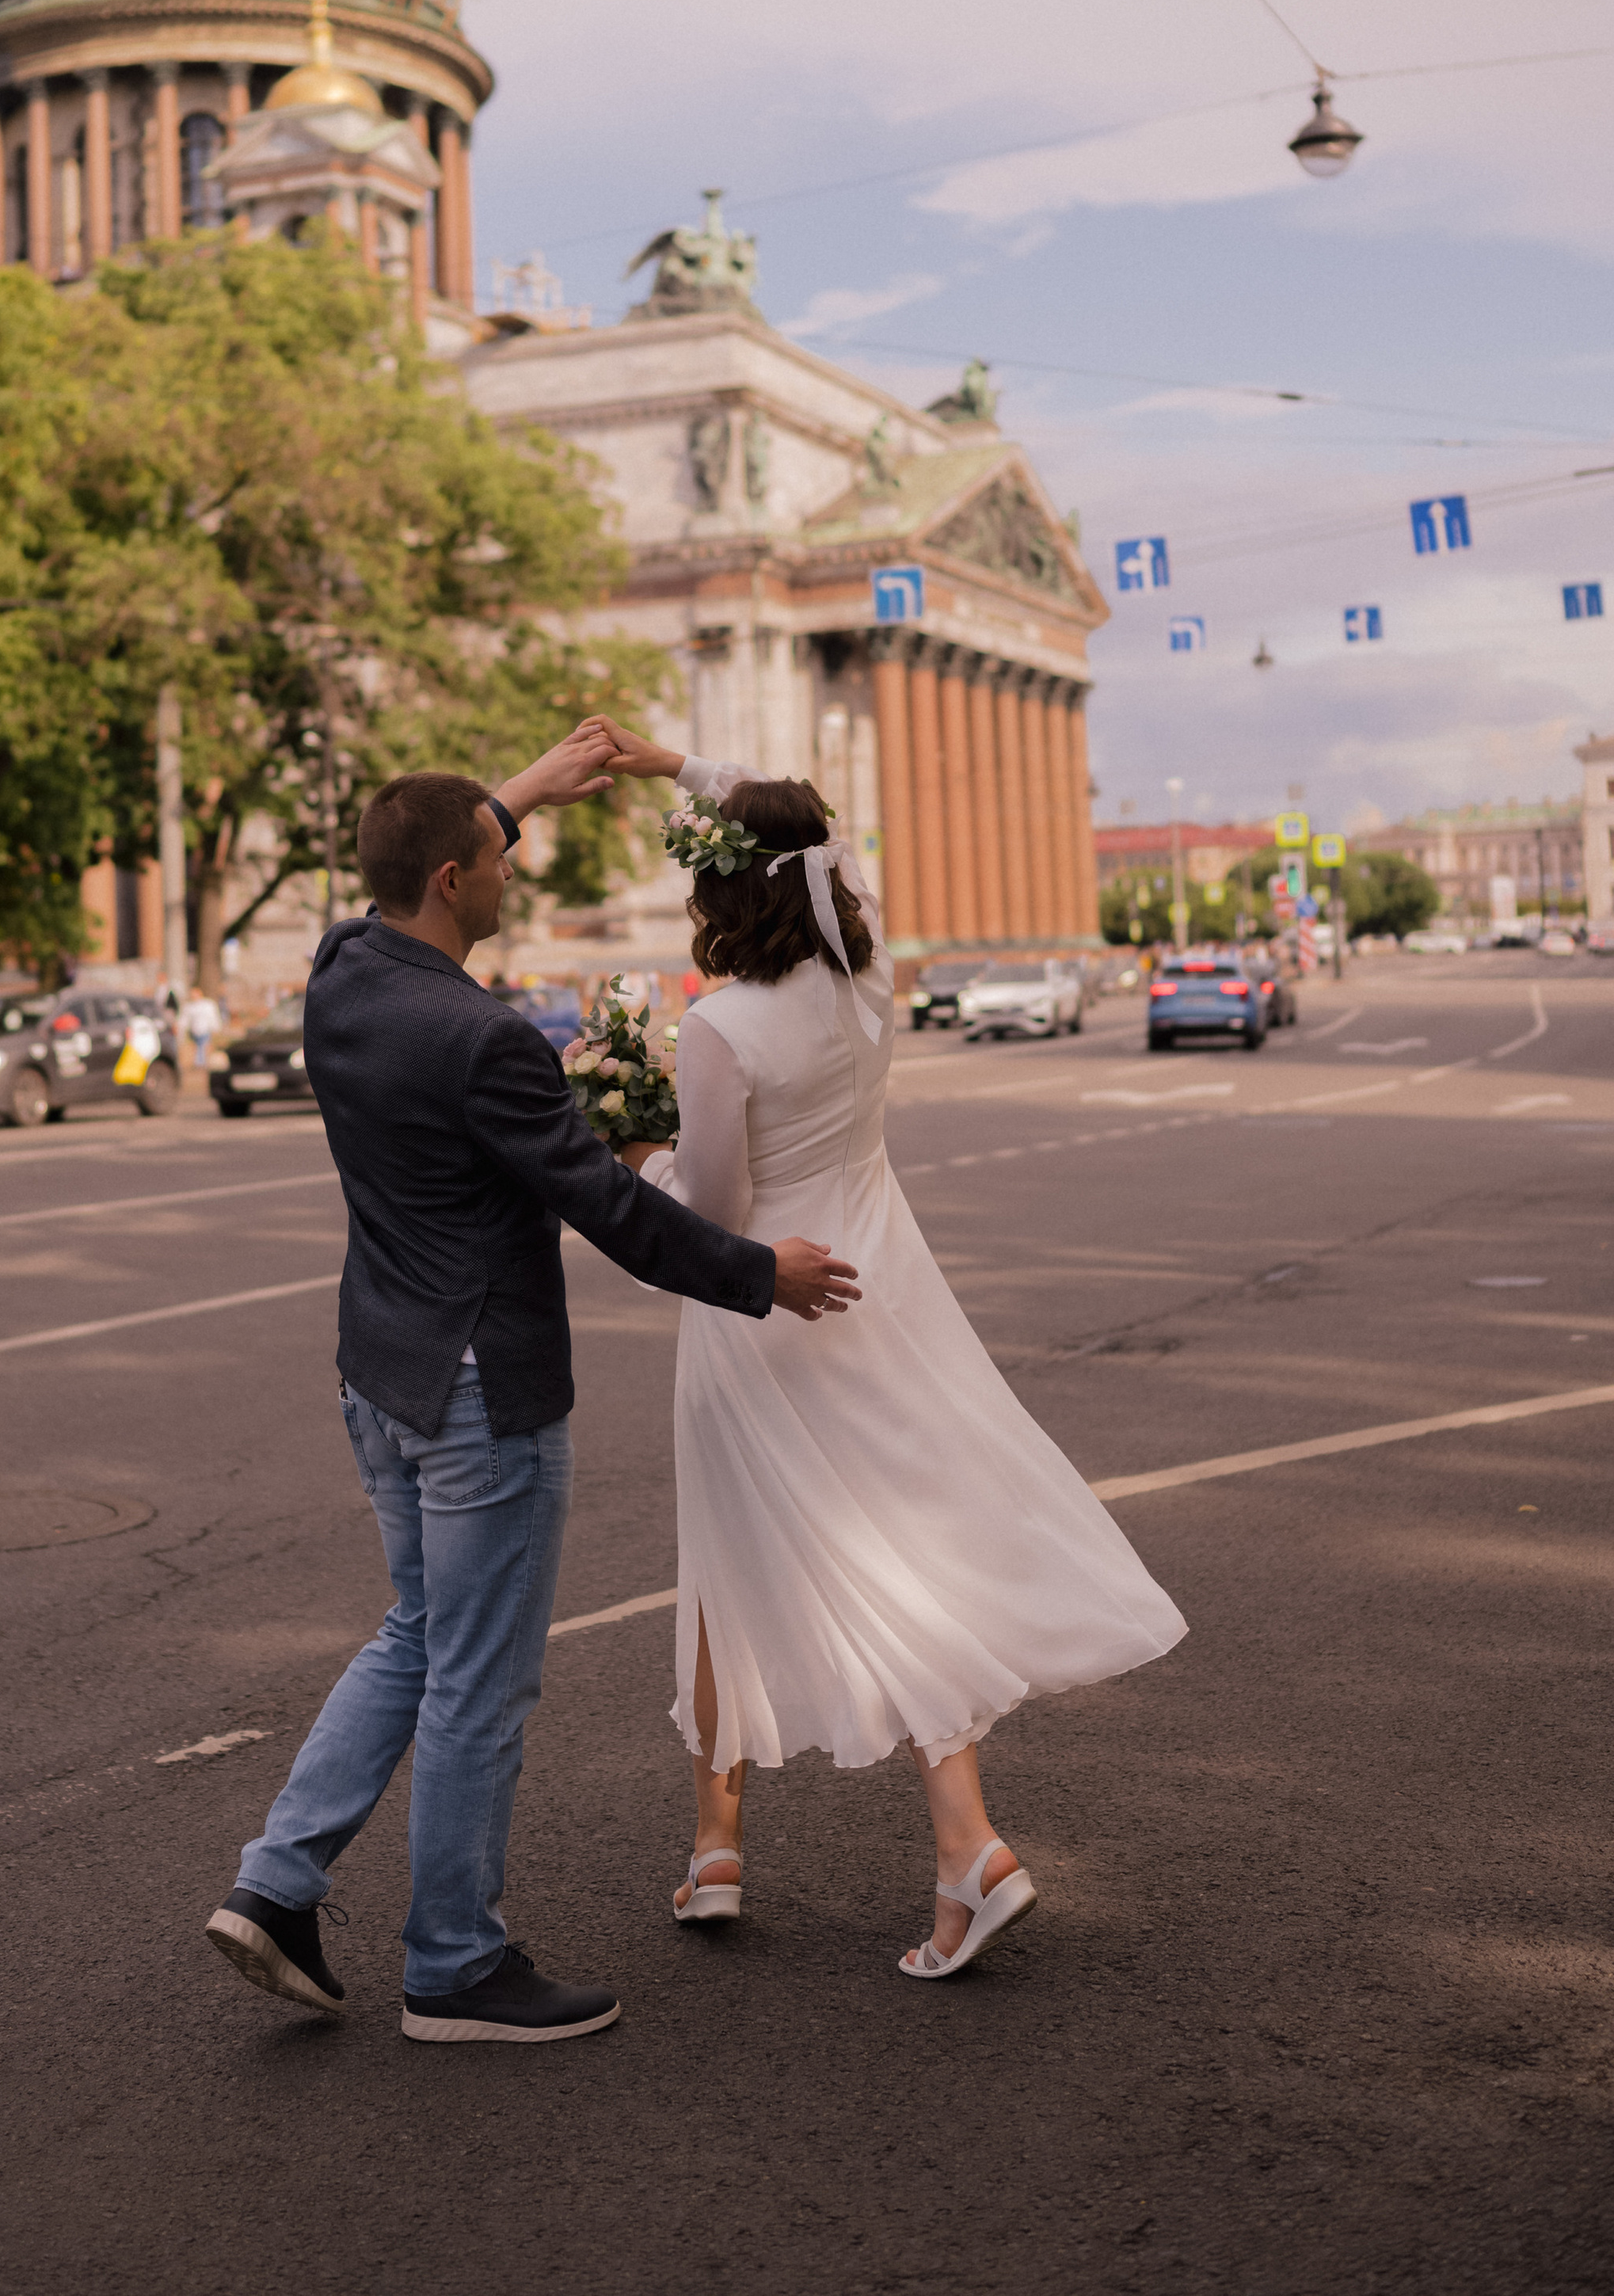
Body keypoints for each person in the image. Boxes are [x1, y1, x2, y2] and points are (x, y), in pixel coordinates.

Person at [205, 729, 859, 2044]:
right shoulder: (483, 1037)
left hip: (378, 1374)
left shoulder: (344, 976)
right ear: (455, 880)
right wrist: (758, 1276)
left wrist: (521, 788)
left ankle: (277, 1884)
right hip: (476, 1395)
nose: (512, 873)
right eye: (497, 857)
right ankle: (452, 1960)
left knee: (417, 1634)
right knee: (479, 1684)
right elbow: (613, 1208)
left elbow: (416, 867)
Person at [590, 726, 1186, 1982]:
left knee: (723, 1566)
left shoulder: (722, 1029)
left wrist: (624, 1149)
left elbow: (711, 1204)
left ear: (721, 889)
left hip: (764, 1320)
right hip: (880, 1295)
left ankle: (724, 1849)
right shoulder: (869, 985)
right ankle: (958, 1845)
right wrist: (680, 769)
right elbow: (830, 837)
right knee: (895, 1553)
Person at [181, 984, 222, 1068]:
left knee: (202, 1047)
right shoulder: (189, 1006)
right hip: (195, 1031)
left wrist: (215, 1028)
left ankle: (200, 1064)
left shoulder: (207, 1005)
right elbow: (184, 1019)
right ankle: (200, 1064)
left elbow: (213, 1017)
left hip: (205, 1030)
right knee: (198, 1047)